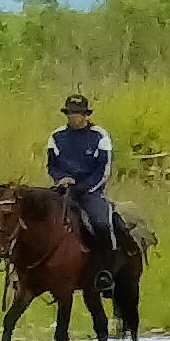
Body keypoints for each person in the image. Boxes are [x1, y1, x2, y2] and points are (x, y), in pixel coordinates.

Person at [49, 90, 121, 263]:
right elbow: (52, 165)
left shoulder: (100, 136)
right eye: (71, 113)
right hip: (63, 189)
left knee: (102, 223)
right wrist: (61, 180)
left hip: (91, 192)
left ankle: (108, 264)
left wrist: (82, 188)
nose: (75, 117)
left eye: (79, 113)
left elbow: (103, 170)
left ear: (86, 115)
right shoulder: (56, 137)